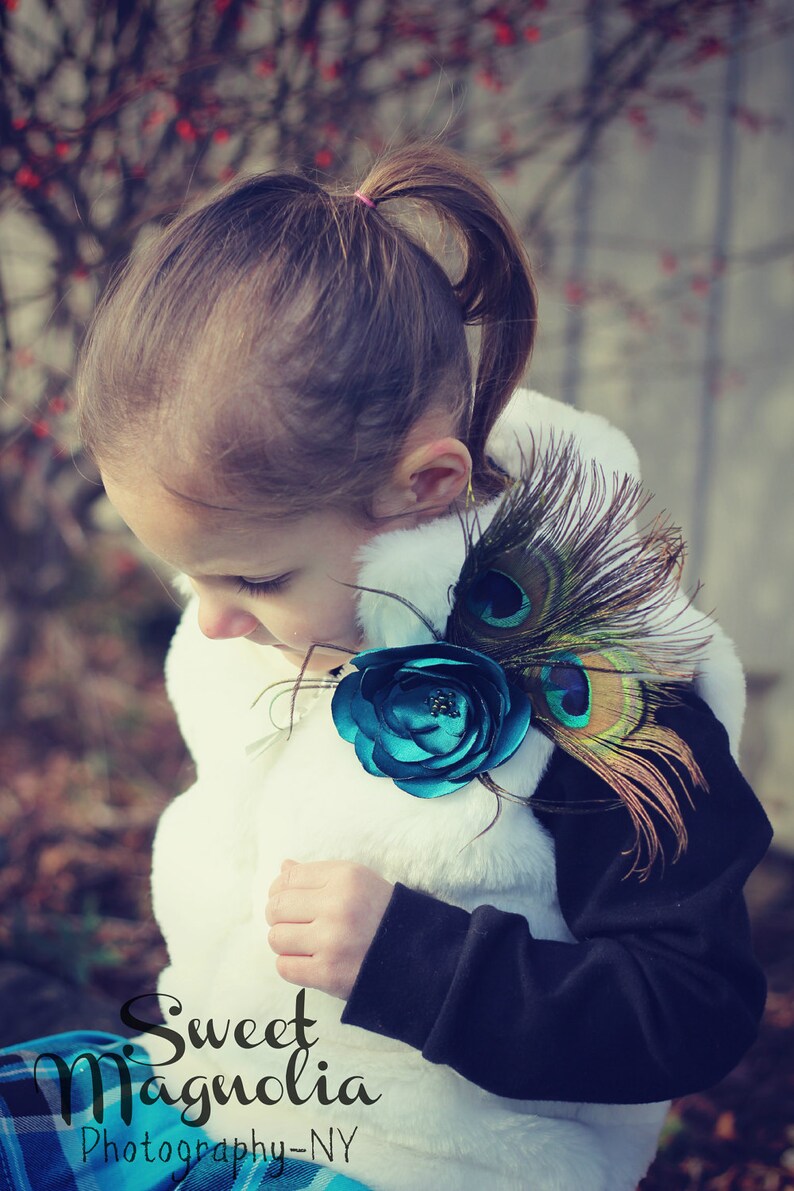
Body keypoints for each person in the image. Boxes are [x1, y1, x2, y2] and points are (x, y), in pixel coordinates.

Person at [2, 144, 770, 1191]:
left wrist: (415, 962)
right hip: (229, 1097)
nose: (214, 621)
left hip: (430, 1161)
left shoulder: (606, 696)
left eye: (255, 576)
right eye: (188, 578)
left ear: (422, 487)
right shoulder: (282, 609)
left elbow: (688, 1007)